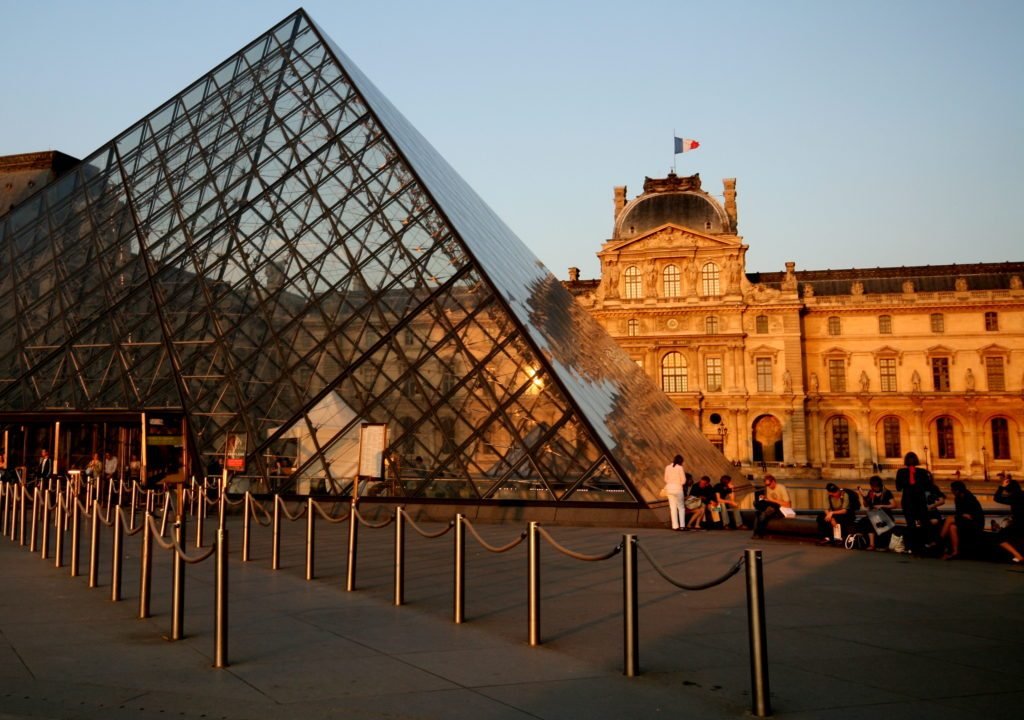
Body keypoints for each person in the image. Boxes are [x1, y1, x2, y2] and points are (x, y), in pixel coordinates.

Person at [894, 451, 937, 554]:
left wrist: (909, 482)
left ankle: (913, 546)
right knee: (924, 523)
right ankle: (926, 544)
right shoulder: (922, 472)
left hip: (909, 501)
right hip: (919, 501)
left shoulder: (901, 472)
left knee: (911, 525)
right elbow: (928, 486)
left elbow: (898, 488)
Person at [940, 481, 985, 560]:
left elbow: (973, 515)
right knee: (952, 527)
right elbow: (959, 512)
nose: (951, 491)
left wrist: (963, 514)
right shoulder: (958, 498)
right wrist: (963, 514)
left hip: (975, 522)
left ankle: (939, 541)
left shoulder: (969, 497)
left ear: (957, 490)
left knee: (949, 519)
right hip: (966, 521)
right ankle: (955, 551)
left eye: (952, 490)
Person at [857, 476, 896, 550]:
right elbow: (866, 505)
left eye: (876, 487)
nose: (875, 489)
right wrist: (864, 497)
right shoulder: (871, 492)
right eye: (873, 487)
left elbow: (894, 505)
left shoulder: (886, 492)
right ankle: (869, 543)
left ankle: (875, 544)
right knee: (864, 521)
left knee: (871, 520)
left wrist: (882, 506)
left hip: (885, 515)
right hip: (874, 514)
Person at [994, 476, 1024, 563]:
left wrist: (1001, 487)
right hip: (1019, 523)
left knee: (1000, 538)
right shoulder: (1021, 494)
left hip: (1019, 524)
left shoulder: (1014, 497)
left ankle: (1018, 555)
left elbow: (997, 498)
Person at [663, 454, 686, 531]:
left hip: (669, 489)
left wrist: (671, 483)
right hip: (678, 489)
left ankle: (675, 526)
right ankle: (682, 525)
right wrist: (679, 483)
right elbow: (683, 480)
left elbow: (665, 479)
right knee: (681, 508)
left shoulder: (667, 467)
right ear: (681, 461)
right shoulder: (680, 468)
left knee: (673, 508)